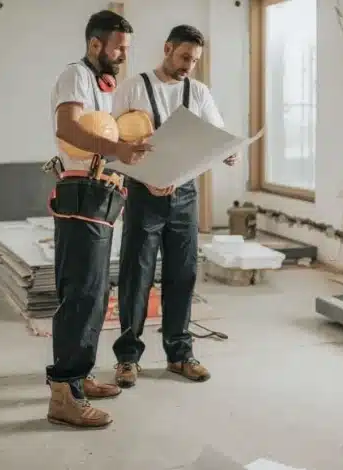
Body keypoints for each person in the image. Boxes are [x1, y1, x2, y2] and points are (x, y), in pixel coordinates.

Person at [110, 24, 238, 387]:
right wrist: (145, 175)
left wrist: (229, 154)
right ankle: (127, 359)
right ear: (167, 49)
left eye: (194, 61)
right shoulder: (134, 87)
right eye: (184, 57)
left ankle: (180, 355)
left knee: (183, 275)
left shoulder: (198, 92)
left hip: (184, 196)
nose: (188, 66)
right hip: (142, 194)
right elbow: (113, 141)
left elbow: (217, 135)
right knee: (137, 276)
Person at [43, 9, 152, 429]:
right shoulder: (75, 74)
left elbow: (104, 135)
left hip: (101, 190)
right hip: (80, 190)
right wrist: (119, 152)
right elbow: (69, 129)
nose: (124, 55)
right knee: (81, 293)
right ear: (95, 44)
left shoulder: (104, 86)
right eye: (119, 47)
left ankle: (80, 377)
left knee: (95, 293)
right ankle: (64, 394)